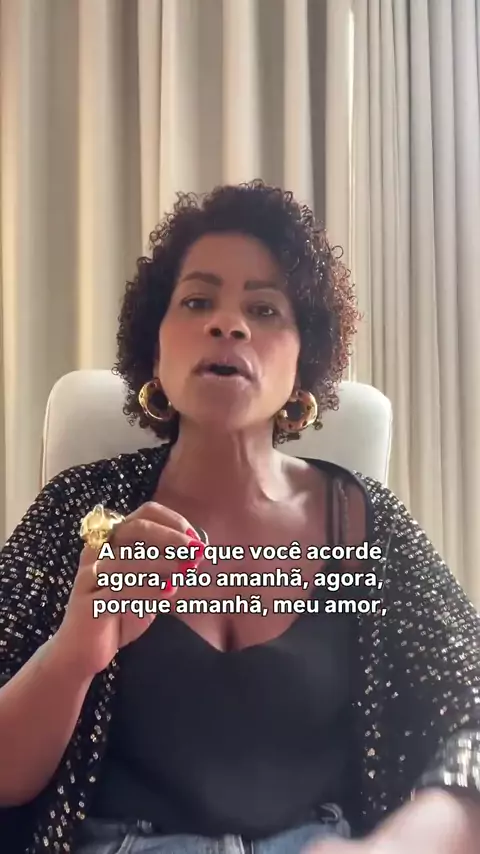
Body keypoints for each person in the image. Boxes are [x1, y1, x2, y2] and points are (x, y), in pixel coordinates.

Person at [0, 181, 479, 854]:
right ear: (155, 350)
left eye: (264, 309)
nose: (229, 325)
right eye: (198, 301)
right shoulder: (79, 508)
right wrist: (72, 655)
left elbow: (471, 720)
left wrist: (397, 846)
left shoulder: (368, 524)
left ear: (304, 361)